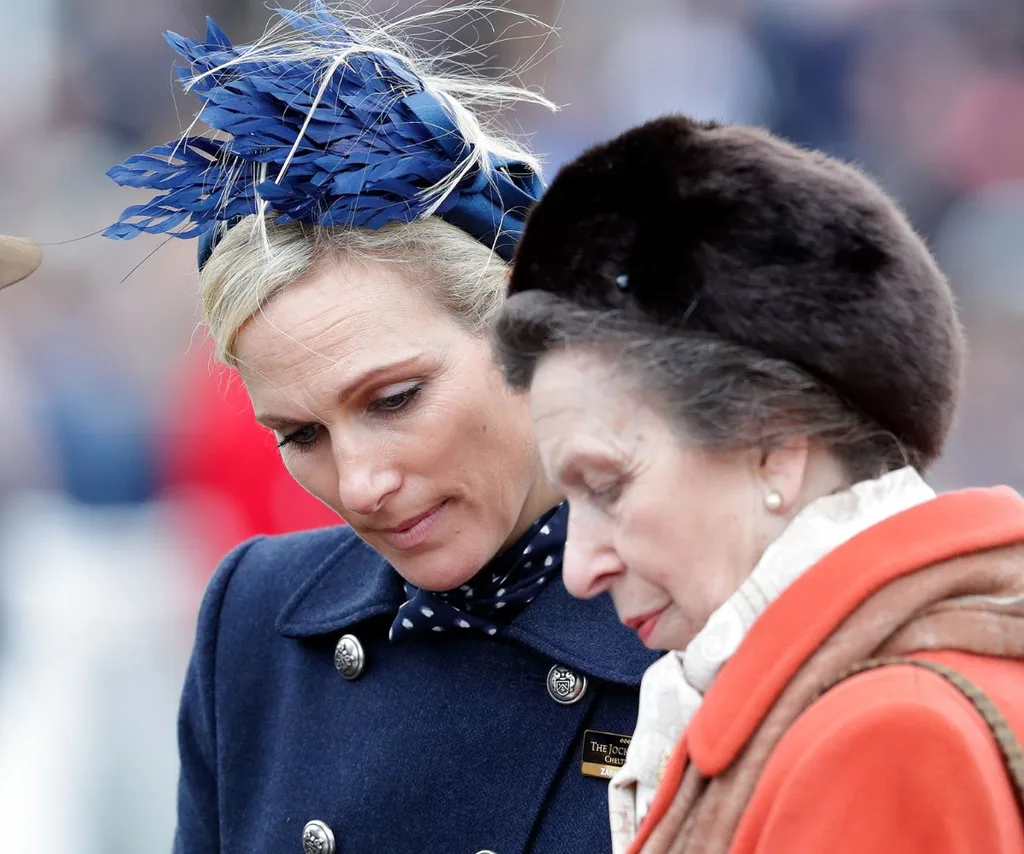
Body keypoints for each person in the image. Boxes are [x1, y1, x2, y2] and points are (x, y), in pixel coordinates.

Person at [103, 5, 657, 853]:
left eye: (394, 399)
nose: (359, 486)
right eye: (301, 435)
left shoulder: (703, 615)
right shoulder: (256, 616)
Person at [493, 115, 1024, 854]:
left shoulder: (883, 736)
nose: (579, 568)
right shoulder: (865, 703)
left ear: (776, 447)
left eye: (608, 486)